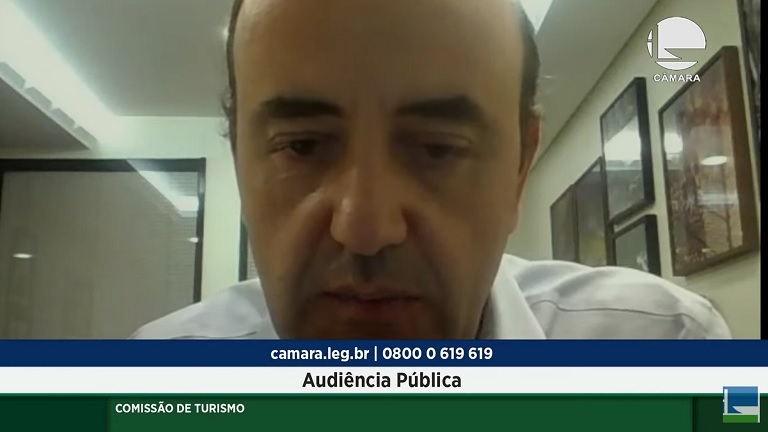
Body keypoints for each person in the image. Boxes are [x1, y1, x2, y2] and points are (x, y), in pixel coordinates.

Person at [132, 0, 731, 340]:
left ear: (520, 166)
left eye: (438, 149)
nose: (365, 229)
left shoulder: (666, 348)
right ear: (240, 159)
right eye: (303, 146)